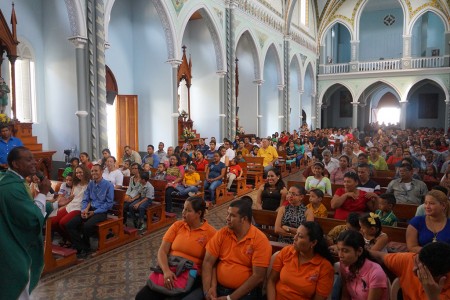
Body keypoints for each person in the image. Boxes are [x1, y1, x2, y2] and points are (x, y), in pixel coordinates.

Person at [0, 147, 60, 299]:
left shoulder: (14, 183)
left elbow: (27, 210)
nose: (34, 162)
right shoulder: (11, 188)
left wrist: (55, 204)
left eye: (33, 158)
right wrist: (43, 193)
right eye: (28, 159)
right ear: (15, 164)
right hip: (12, 250)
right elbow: (32, 219)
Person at [135, 197, 217, 300]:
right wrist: (166, 271)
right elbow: (162, 251)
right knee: (142, 296)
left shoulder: (211, 233)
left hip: (190, 274)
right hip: (170, 268)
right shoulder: (177, 225)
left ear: (199, 213)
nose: (183, 212)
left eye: (188, 210)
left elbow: (211, 264)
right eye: (183, 209)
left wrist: (210, 288)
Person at [202, 198, 272, 300]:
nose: (227, 218)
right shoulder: (222, 233)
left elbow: (258, 276)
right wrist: (208, 290)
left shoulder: (260, 240)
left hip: (245, 293)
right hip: (218, 288)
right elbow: (208, 262)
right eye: (228, 214)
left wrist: (230, 298)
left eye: (232, 216)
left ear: (244, 219)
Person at [267, 222, 335, 300]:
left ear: (313, 242)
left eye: (300, 236)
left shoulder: (324, 267)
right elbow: (271, 281)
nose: (294, 238)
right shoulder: (287, 251)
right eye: (296, 234)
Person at [370, 242, 450, 300]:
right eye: (416, 262)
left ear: (441, 277)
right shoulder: (409, 260)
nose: (413, 269)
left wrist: (433, 297)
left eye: (420, 269)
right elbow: (379, 256)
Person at [66, 164, 114, 259]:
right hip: (89, 209)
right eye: (92, 171)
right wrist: (84, 210)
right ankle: (83, 247)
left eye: (96, 171)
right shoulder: (91, 184)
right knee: (70, 224)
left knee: (86, 226)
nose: (94, 173)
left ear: (101, 172)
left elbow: (109, 204)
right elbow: (85, 199)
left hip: (101, 212)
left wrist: (94, 213)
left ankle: (83, 247)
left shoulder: (108, 185)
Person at [337, 230, 389, 300]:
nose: (340, 255)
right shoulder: (344, 265)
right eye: (338, 250)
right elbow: (345, 296)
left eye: (345, 251)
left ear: (359, 251)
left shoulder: (375, 272)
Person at [51, 165, 91, 247]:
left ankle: (75, 241)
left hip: (80, 207)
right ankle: (69, 239)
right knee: (53, 221)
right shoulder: (76, 183)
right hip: (71, 205)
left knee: (63, 222)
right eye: (76, 173)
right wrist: (63, 206)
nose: (78, 174)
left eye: (80, 172)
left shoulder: (90, 184)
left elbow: (91, 199)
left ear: (85, 172)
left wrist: (86, 209)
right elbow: (71, 197)